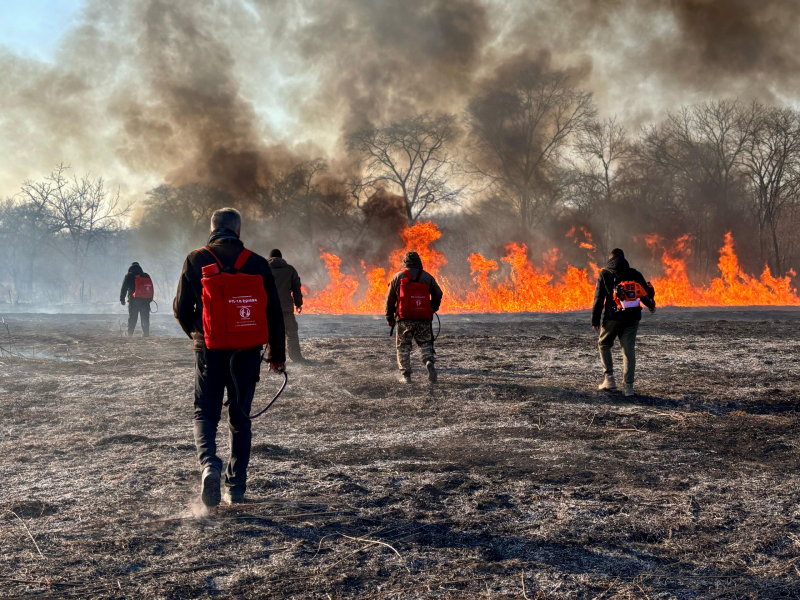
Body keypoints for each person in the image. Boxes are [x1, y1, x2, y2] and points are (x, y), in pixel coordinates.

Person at [173, 208, 286, 507]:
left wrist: (199, 337)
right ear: (238, 231)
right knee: (240, 419)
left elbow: (181, 310)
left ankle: (209, 464)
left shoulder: (196, 259)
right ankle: (235, 488)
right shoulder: (257, 263)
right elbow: (274, 313)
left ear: (211, 229)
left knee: (205, 413)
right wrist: (276, 355)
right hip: (247, 354)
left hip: (210, 353)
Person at [591, 248, 655, 397]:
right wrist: (651, 305)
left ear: (610, 259)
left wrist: (595, 320)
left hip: (612, 317)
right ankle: (629, 387)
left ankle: (610, 379)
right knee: (628, 350)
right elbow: (644, 295)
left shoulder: (605, 274)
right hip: (632, 319)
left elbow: (599, 299)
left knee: (604, 344)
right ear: (624, 259)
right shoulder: (635, 274)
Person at [385, 251, 443, 383]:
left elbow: (390, 299)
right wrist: (432, 309)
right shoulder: (427, 277)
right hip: (423, 318)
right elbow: (438, 294)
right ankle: (429, 361)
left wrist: (389, 317)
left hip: (404, 319)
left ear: (405, 262)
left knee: (403, 346)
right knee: (425, 343)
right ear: (419, 262)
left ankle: (406, 376)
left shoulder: (398, 277)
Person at [267, 249, 305, 363]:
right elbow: (296, 289)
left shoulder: (264, 268)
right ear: (281, 257)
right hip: (286, 309)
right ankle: (296, 358)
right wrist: (298, 304)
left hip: (269, 309)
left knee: (271, 333)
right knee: (291, 333)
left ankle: (273, 359)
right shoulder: (290, 269)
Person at [120, 262, 153, 337]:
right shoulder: (146, 275)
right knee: (145, 318)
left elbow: (124, 288)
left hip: (133, 300)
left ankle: (130, 333)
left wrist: (122, 299)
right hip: (145, 301)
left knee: (132, 318)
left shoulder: (129, 276)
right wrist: (150, 299)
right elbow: (151, 288)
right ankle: (146, 334)